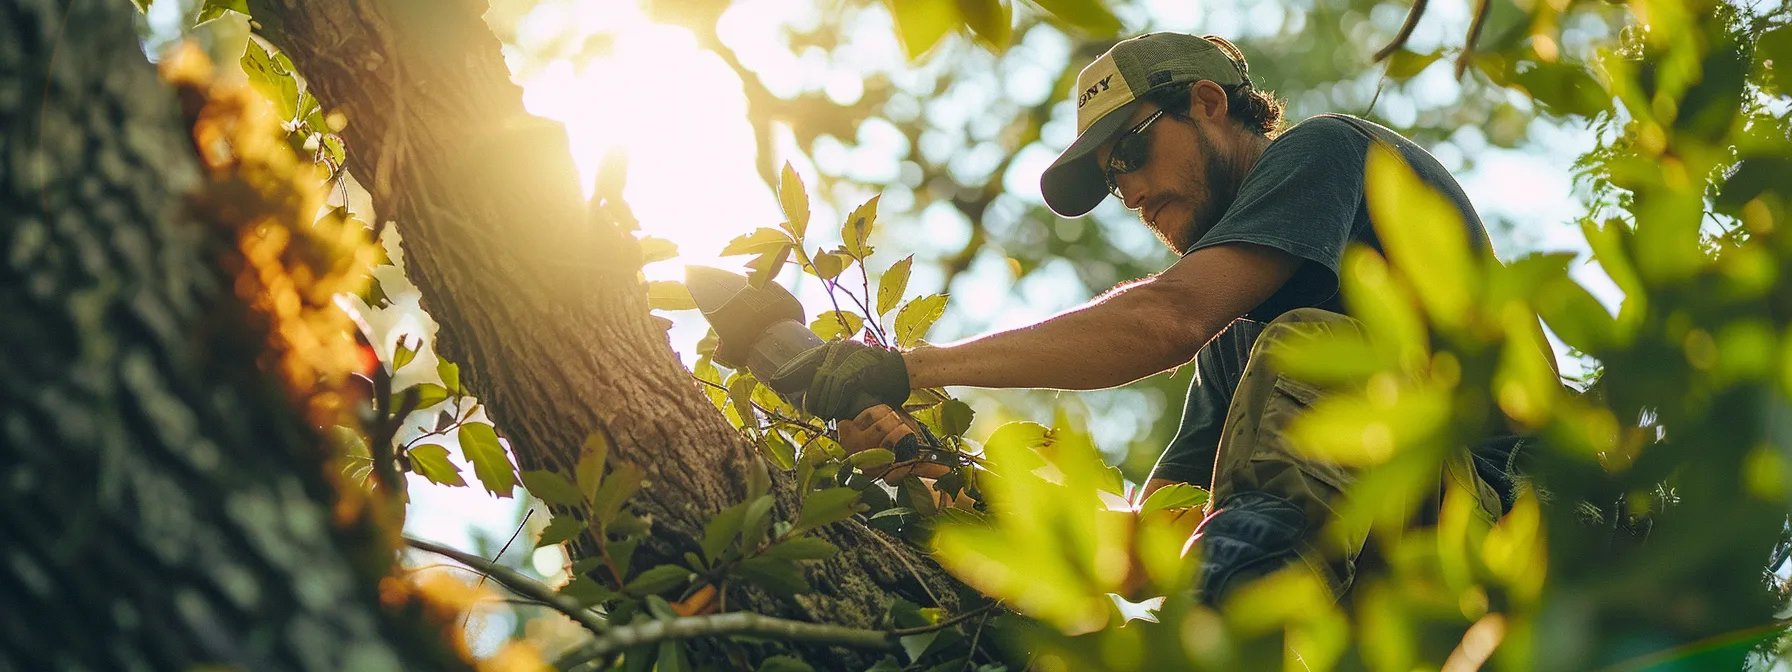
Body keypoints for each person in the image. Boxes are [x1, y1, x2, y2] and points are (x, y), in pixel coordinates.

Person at [771, 32, 1521, 604]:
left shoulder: (1325, 151)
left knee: (1314, 347)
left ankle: (1236, 635)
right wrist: (951, 481)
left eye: (1130, 150)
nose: (1127, 192)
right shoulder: (1235, 347)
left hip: (1506, 548)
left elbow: (1168, 317)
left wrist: (910, 367)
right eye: (1109, 181)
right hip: (1397, 601)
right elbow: (1159, 538)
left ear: (1207, 102)